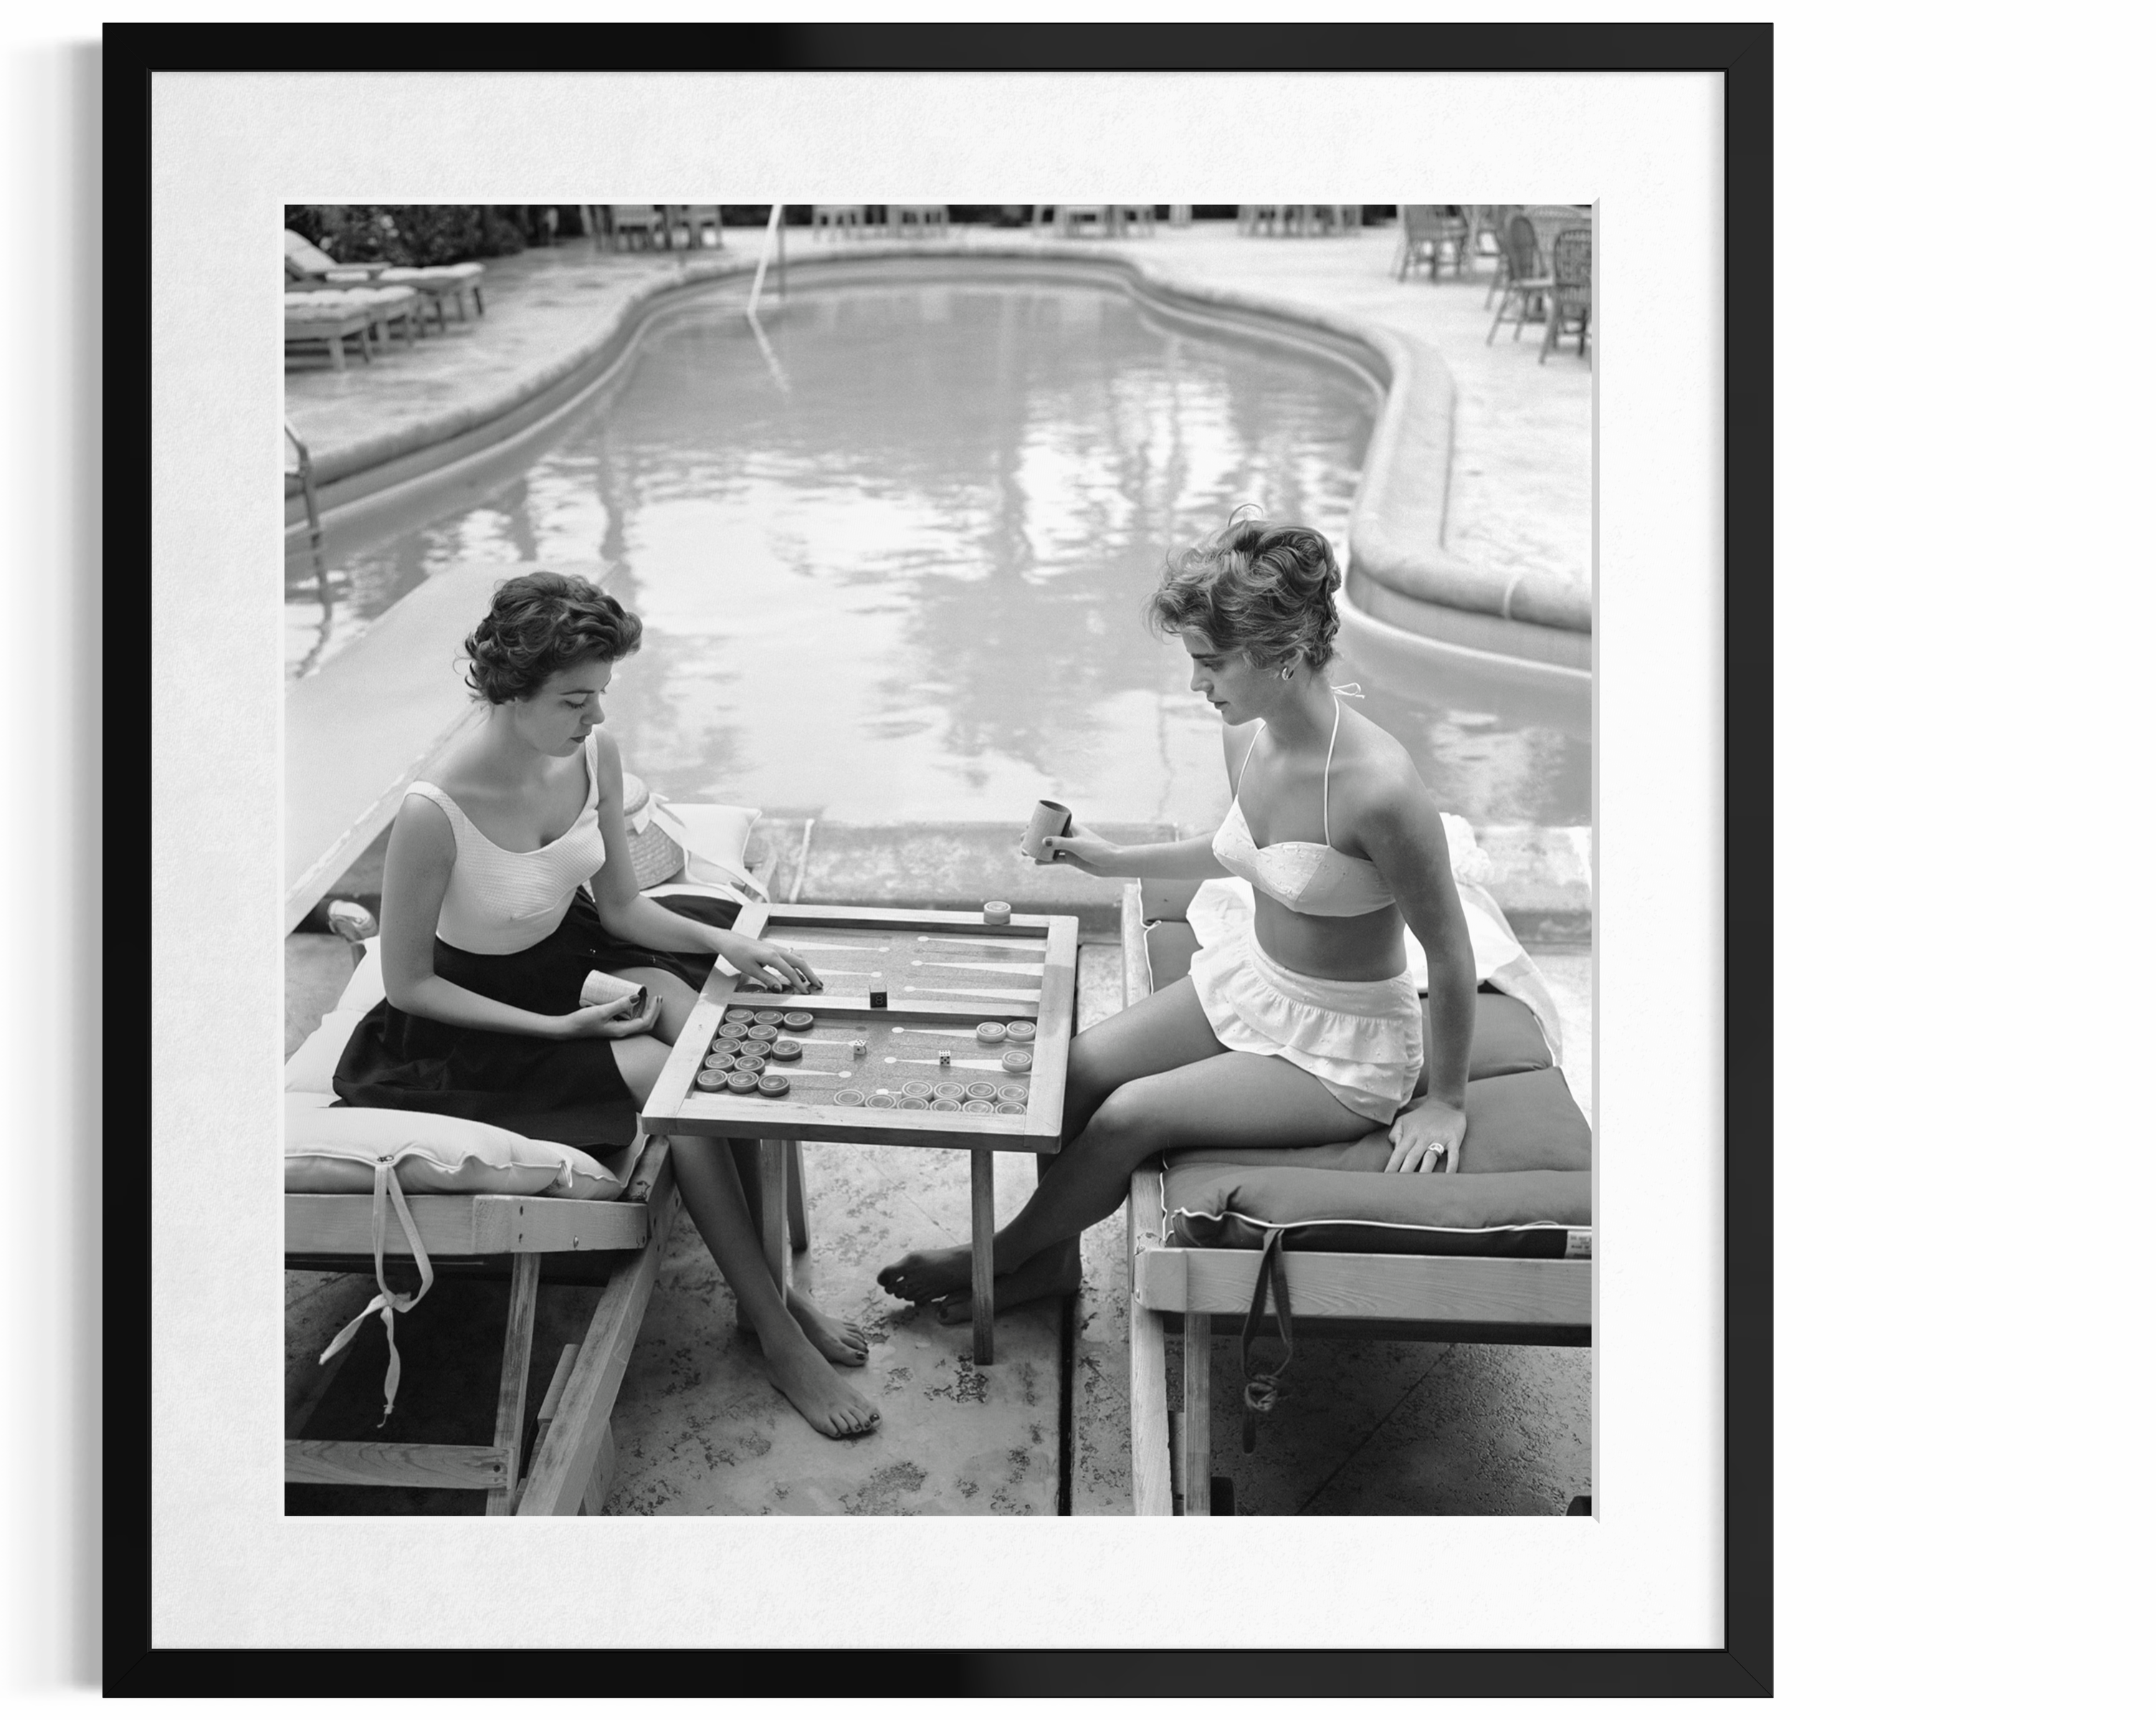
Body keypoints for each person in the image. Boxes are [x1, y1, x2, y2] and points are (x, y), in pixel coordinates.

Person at [879, 516, 1479, 1322]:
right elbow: (1245, 848)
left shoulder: (1379, 789)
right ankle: (1047, 1265)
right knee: (1077, 1069)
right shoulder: (1250, 737)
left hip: (1341, 1047)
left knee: (1133, 1112)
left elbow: (1448, 950)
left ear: (1281, 654)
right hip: (1254, 984)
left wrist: (1446, 1099)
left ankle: (996, 1257)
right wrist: (1109, 858)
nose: (1198, 685)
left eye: (1210, 663)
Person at [334, 570, 880, 1438]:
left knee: (722, 1023)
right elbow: (411, 986)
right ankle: (774, 1332)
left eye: (601, 695)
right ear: (510, 692)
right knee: (670, 1080)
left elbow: (623, 909)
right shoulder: (434, 812)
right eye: (575, 699)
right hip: (464, 1025)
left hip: (567, 962)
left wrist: (727, 942)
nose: (595, 717)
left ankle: (774, 1291)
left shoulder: (594, 755)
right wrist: (555, 1028)